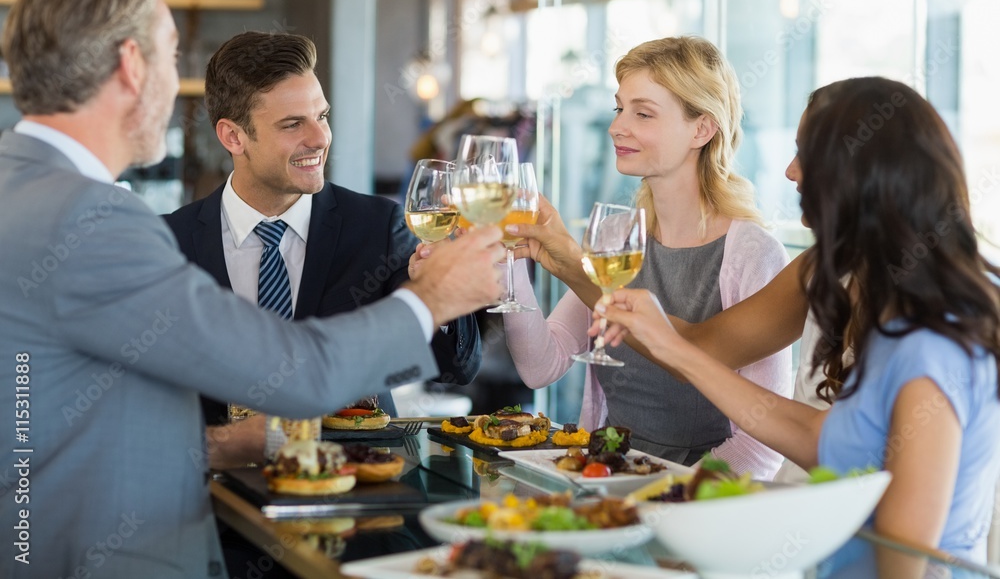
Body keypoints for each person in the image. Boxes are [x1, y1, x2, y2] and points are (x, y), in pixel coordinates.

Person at [0, 0, 504, 579]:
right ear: (132, 65)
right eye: (172, 50)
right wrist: (432, 298)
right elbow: (300, 372)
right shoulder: (92, 219)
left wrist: (215, 443)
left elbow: (51, 426)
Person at [596, 77, 1000, 560]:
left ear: (859, 175)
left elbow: (902, 556)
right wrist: (670, 344)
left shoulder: (930, 344)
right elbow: (817, 438)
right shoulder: (867, 285)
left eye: (805, 154)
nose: (789, 172)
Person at [163, 31, 481, 468]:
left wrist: (442, 295)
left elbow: (455, 368)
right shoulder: (169, 244)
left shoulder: (379, 227)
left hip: (359, 499)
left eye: (322, 116)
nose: (320, 138)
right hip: (218, 508)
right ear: (233, 137)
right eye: (293, 124)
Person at [501, 36, 792, 476]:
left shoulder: (752, 253)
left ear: (702, 129)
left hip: (700, 501)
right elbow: (541, 365)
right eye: (620, 109)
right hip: (605, 478)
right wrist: (510, 261)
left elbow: (762, 445)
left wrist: (666, 496)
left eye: (643, 113)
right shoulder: (616, 235)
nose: (617, 127)